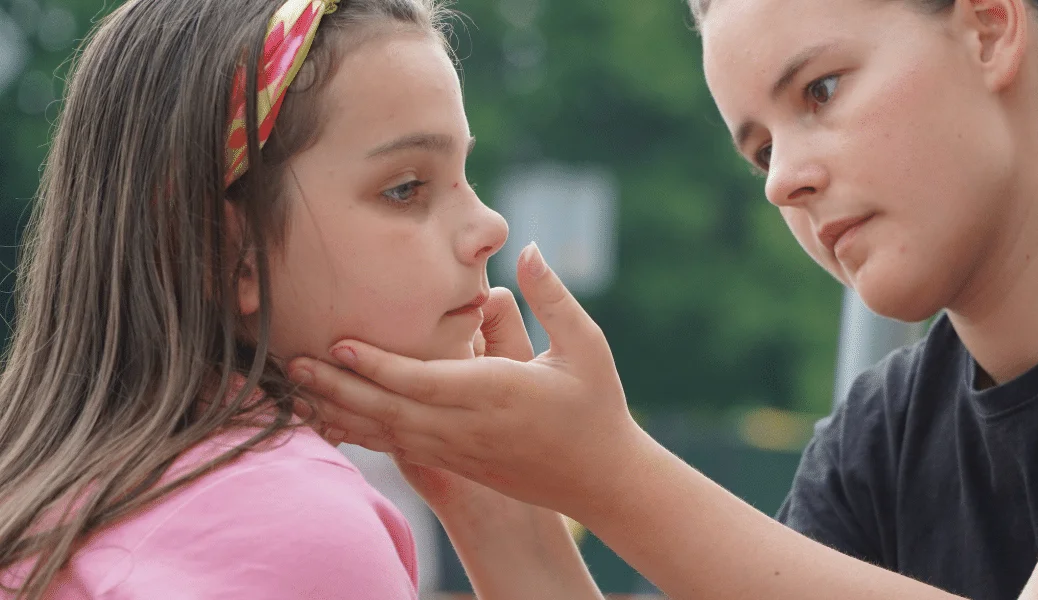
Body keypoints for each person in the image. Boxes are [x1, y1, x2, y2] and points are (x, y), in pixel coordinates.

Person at [293, 0, 1038, 598]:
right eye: (760, 148)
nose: (784, 184)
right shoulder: (873, 442)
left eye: (822, 90)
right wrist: (504, 515)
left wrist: (606, 471)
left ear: (990, 26)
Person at [0, 0, 601, 598]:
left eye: (463, 175)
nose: (490, 226)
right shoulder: (299, 531)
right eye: (405, 188)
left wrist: (496, 505)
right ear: (229, 250)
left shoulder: (44, 496)